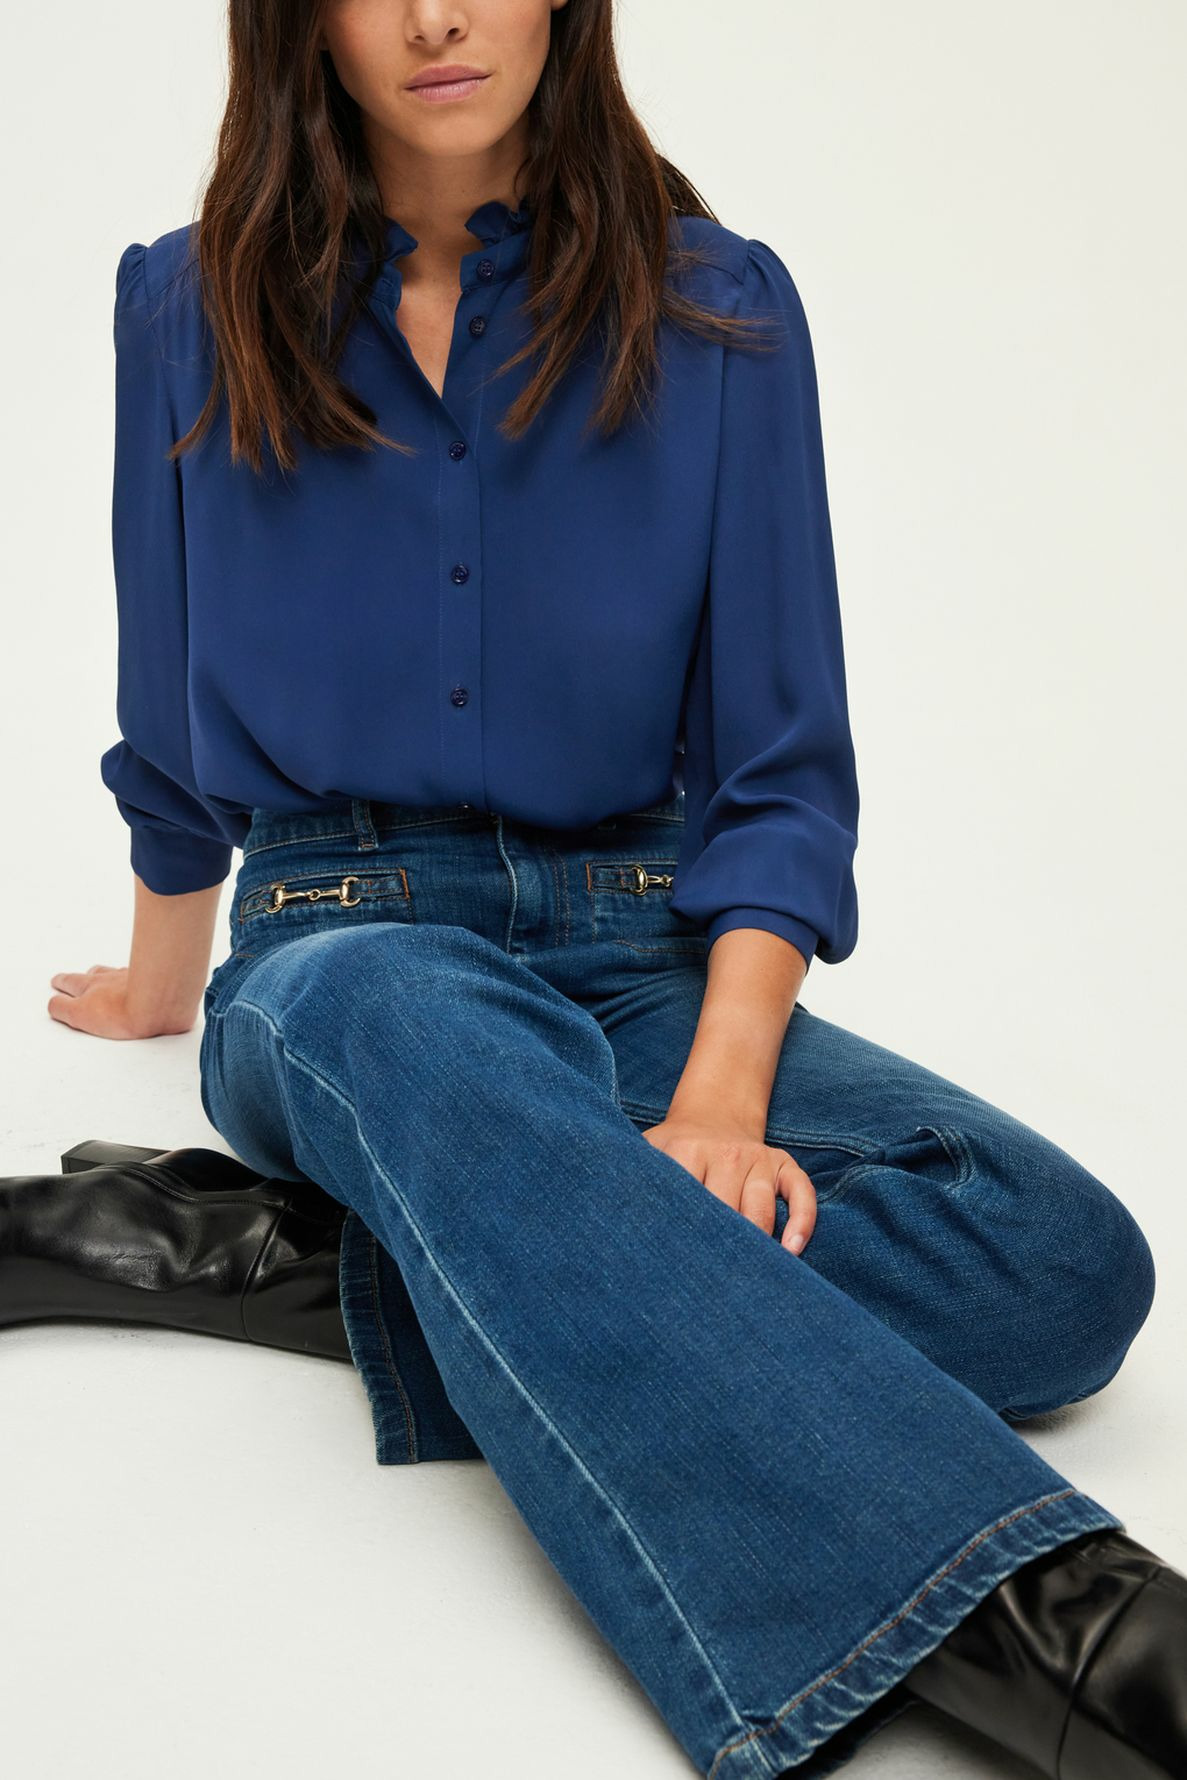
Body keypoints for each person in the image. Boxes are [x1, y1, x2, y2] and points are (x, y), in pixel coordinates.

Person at [11, 2, 1183, 1775]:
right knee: (410, 1015)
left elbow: (780, 767)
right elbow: (165, 710)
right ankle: (1069, 1629)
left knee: (1057, 1267)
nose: (437, 16)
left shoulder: (722, 308)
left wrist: (720, 1099)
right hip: (345, 950)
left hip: (640, 943)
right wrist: (161, 982)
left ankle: (329, 1250)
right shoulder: (185, 302)